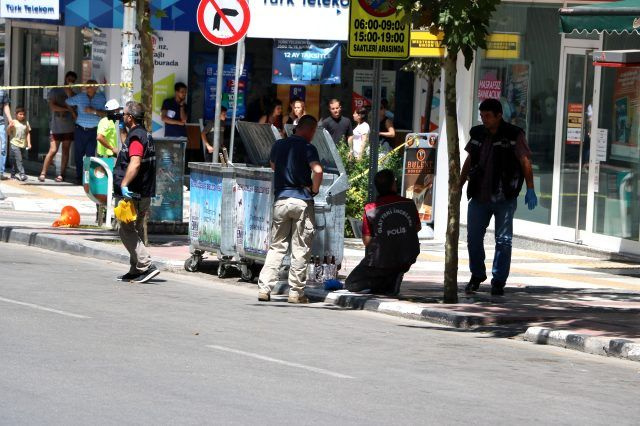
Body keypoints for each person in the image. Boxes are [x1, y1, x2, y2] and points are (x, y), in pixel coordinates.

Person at [459, 98, 537, 296]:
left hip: (504, 196)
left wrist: (530, 188)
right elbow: (469, 159)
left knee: (503, 240)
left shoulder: (514, 134)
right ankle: (477, 275)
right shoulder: (478, 134)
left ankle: (498, 281)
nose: (484, 119)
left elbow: (525, 160)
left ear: (499, 115)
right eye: (482, 115)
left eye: (488, 116)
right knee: (473, 238)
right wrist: (459, 185)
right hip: (478, 195)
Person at [257, 115, 323, 304]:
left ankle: (264, 288)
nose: (313, 135)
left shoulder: (279, 145)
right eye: (314, 131)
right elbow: (317, 170)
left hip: (281, 200)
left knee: (277, 246)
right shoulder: (309, 147)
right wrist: (315, 190)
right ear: (309, 130)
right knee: (300, 248)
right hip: (302, 200)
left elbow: (273, 166)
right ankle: (295, 293)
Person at [345, 169, 421, 295]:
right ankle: (393, 279)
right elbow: (417, 228)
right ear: (393, 185)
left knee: (350, 284)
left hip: (380, 262)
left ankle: (384, 282)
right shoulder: (409, 204)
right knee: (388, 270)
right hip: (406, 258)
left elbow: (367, 241)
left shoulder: (370, 209)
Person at [112, 101, 159, 283]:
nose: (122, 117)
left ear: (130, 117)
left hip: (134, 193)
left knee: (126, 230)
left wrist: (124, 183)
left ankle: (146, 264)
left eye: (124, 114)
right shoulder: (142, 134)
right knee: (135, 231)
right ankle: (136, 270)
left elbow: (135, 162)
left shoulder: (137, 137)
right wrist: (122, 129)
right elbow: (129, 151)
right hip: (142, 192)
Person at [65, 80, 107, 184]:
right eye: (87, 87)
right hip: (80, 129)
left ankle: (88, 178)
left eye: (91, 87)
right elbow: (68, 102)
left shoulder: (101, 98)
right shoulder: (80, 97)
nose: (88, 89)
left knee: (90, 155)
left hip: (93, 131)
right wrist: (74, 114)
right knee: (78, 155)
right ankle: (79, 177)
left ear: (96, 88)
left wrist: (94, 111)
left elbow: (105, 114)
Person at [40, 71, 77, 182]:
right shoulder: (55, 91)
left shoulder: (74, 94)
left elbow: (75, 109)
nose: (70, 81)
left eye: (73, 80)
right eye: (69, 79)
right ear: (65, 78)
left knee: (66, 151)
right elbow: (53, 106)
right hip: (56, 127)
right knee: (53, 150)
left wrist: (70, 95)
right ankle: (43, 172)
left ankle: (62, 174)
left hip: (69, 127)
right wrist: (67, 109)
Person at [8, 107, 31, 181]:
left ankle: (12, 174)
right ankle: (22, 174)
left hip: (22, 144)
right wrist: (9, 127)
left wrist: (29, 143)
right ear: (16, 114)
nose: (22, 116)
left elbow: (28, 133)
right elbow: (8, 133)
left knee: (15, 160)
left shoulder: (26, 122)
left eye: (23, 114)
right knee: (19, 159)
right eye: (20, 114)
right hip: (14, 144)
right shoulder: (13, 122)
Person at [0, 88, 14, 180]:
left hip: (0, 122)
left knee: (2, 147)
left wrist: (10, 119)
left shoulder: (2, 92)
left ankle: (0, 172)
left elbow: (6, 105)